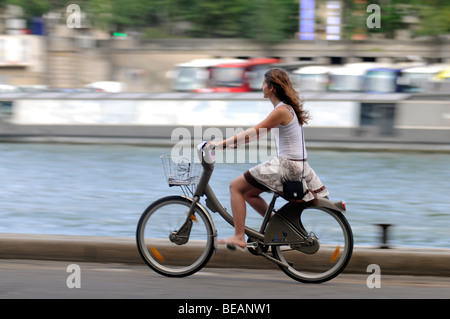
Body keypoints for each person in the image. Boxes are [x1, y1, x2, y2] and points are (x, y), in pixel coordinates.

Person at [207, 68, 329, 250]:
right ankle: (277, 229)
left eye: (263, 83)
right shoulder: (286, 109)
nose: (261, 86)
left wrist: (221, 144)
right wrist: (232, 144)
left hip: (287, 166)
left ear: (271, 88)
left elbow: (254, 131)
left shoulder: (281, 110)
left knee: (235, 187)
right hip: (296, 165)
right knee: (249, 193)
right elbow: (256, 134)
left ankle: (239, 236)